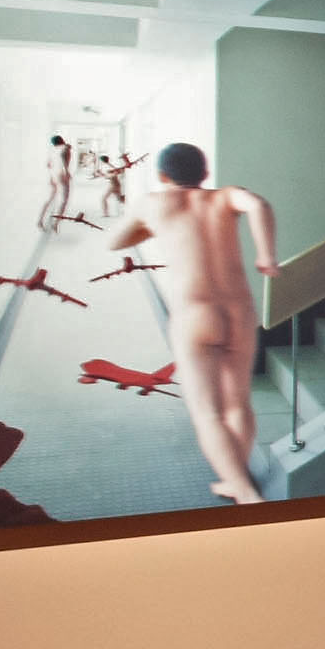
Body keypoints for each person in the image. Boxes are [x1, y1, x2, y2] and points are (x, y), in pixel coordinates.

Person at [105, 141, 277, 504]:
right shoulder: (226, 196)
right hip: (239, 313)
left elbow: (115, 242)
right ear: (205, 173)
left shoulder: (153, 204)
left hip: (194, 316)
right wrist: (266, 256)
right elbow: (259, 205)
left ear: (162, 175)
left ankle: (244, 490)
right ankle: (236, 476)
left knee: (207, 412)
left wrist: (152, 226)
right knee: (238, 403)